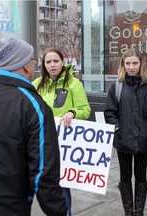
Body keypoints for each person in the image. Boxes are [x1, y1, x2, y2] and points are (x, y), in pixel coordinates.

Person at [0, 37, 67, 215]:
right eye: (34, 61)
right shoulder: (33, 105)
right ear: (26, 66)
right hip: (11, 207)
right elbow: (43, 173)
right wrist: (59, 211)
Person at [32, 47, 91, 216]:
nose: (52, 65)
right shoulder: (35, 85)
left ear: (62, 63)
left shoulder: (74, 84)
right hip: (41, 142)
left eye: (56, 61)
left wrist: (73, 112)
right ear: (43, 65)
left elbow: (85, 109)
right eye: (48, 62)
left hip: (65, 145)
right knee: (44, 185)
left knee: (63, 185)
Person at [104, 48, 147, 216]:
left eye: (135, 63)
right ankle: (129, 212)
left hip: (144, 139)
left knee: (141, 176)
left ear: (141, 63)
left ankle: (139, 212)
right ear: (123, 65)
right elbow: (110, 112)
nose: (131, 67)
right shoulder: (117, 86)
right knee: (125, 177)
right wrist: (118, 130)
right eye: (127, 63)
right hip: (123, 140)